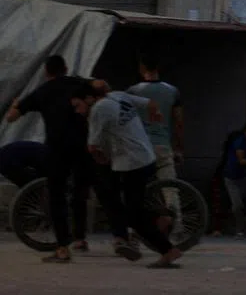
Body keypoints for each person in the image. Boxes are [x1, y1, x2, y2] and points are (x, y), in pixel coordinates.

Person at [6, 56, 104, 262]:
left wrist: (15, 105)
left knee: (56, 196)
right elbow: (101, 86)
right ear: (65, 69)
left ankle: (62, 248)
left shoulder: (42, 91)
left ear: (46, 72)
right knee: (81, 192)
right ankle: (82, 238)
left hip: (57, 148)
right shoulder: (77, 83)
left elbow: (11, 117)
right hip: (83, 146)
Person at [81, 84, 181, 268]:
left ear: (89, 98)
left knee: (133, 215)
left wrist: (101, 159)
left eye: (78, 106)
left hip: (131, 163)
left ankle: (167, 248)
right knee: (130, 205)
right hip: (145, 156)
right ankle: (157, 220)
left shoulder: (98, 110)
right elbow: (151, 104)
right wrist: (156, 114)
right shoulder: (119, 95)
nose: (78, 110)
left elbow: (92, 147)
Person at [127, 55, 184, 181]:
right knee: (169, 186)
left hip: (140, 146)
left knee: (138, 186)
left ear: (141, 68)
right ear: (158, 68)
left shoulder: (132, 91)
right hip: (162, 145)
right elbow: (179, 122)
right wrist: (178, 148)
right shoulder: (172, 91)